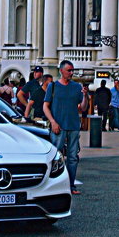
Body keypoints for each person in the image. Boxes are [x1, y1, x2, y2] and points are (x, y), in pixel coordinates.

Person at [43, 60, 86, 195]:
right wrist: (53, 122)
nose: (71, 73)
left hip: (73, 126)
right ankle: (52, 186)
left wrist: (85, 95)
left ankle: (71, 185)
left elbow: (83, 108)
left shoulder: (76, 87)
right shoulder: (53, 86)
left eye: (72, 70)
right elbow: (45, 106)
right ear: (61, 71)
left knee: (73, 157)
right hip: (58, 127)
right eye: (69, 70)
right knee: (56, 157)